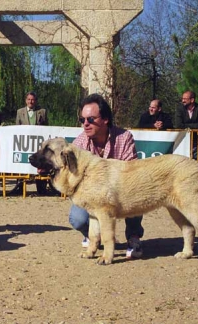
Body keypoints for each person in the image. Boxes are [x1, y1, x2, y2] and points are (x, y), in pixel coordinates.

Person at [70, 93, 144, 259]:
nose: (85, 124)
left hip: (121, 190)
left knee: (137, 193)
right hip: (92, 194)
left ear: (105, 119)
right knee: (77, 219)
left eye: (90, 119)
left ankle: (133, 237)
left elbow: (131, 173)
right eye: (82, 120)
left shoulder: (124, 138)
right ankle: (92, 237)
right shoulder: (79, 143)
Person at [16, 91, 49, 195]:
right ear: (26, 100)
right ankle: (20, 187)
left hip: (37, 143)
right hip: (24, 143)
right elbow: (16, 128)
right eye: (29, 99)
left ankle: (41, 188)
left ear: (35, 101)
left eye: (33, 99)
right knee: (22, 164)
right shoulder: (19, 112)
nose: (31, 101)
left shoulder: (42, 112)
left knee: (39, 164)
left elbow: (47, 127)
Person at [176, 90, 198, 158]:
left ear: (192, 100)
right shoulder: (180, 108)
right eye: (182, 98)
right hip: (182, 139)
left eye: (185, 99)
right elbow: (179, 125)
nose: (183, 101)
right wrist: (194, 126)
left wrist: (186, 126)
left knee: (194, 159)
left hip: (195, 139)